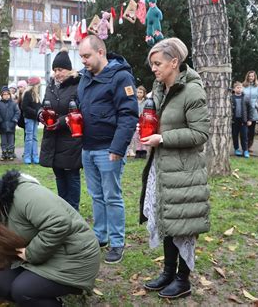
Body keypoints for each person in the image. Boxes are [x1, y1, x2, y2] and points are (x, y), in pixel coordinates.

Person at [0, 170, 101, 307]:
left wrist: (31, 253)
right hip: (48, 256)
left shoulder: (24, 194)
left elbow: (59, 223)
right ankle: (47, 302)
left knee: (23, 289)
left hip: (76, 256)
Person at [139, 38, 210, 300]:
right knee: (168, 220)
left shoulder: (192, 91)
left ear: (174, 62)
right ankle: (168, 272)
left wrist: (164, 138)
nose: (154, 69)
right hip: (162, 167)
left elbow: (200, 133)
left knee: (182, 223)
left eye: (157, 63)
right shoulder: (159, 89)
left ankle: (183, 279)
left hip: (184, 171)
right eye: (152, 64)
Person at [77, 35, 138, 264]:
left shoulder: (121, 77)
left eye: (86, 56)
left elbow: (128, 115)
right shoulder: (85, 77)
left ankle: (117, 242)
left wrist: (118, 147)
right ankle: (99, 235)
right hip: (88, 148)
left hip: (109, 149)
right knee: (96, 195)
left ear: (100, 52)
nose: (83, 61)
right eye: (81, 56)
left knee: (112, 196)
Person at [38, 48, 82, 210]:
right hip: (52, 139)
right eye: (55, 70)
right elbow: (44, 105)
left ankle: (73, 209)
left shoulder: (77, 85)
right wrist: (40, 115)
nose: (57, 73)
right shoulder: (50, 86)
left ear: (69, 70)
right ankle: (64, 209)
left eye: (61, 70)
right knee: (59, 175)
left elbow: (80, 110)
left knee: (71, 175)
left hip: (70, 138)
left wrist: (62, 121)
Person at [21, 77, 42, 164]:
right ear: (35, 85)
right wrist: (35, 112)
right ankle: (27, 156)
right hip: (29, 118)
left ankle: (35, 156)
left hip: (35, 119)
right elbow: (24, 107)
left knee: (35, 138)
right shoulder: (27, 94)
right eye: (38, 85)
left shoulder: (37, 95)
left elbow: (39, 106)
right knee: (29, 138)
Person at [242, 70, 258, 152]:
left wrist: (257, 103)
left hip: (254, 109)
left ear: (255, 77)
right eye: (249, 76)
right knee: (244, 129)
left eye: (252, 76)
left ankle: (249, 146)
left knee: (251, 130)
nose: (251, 77)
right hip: (244, 110)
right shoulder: (243, 85)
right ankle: (244, 145)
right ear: (247, 77)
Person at [0, 86, 21, 160]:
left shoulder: (13, 103)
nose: (6, 96)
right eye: (4, 94)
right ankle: (4, 153)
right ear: (2, 96)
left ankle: (11, 153)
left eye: (7, 94)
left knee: (11, 140)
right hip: (2, 125)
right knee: (3, 140)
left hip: (11, 125)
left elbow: (17, 112)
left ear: (10, 95)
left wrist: (14, 120)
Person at [231, 81, 252, 158]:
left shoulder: (246, 97)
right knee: (235, 135)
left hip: (244, 121)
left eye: (240, 88)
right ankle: (236, 149)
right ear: (234, 89)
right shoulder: (231, 98)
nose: (239, 89)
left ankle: (245, 150)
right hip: (234, 120)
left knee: (244, 136)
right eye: (237, 87)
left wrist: (250, 119)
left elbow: (250, 109)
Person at [129, 85, 148, 159]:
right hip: (136, 121)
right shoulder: (134, 101)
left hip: (144, 121)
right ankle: (138, 151)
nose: (139, 94)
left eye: (141, 92)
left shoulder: (147, 101)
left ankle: (144, 151)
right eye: (138, 92)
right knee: (136, 137)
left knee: (143, 136)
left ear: (144, 93)